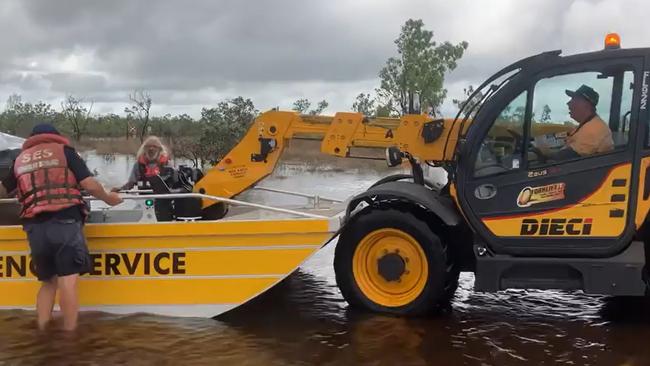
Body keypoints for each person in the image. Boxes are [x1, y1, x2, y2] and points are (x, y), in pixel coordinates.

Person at [0, 124, 122, 331]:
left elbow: (3, 190)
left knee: (48, 282)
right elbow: (90, 185)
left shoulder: (20, 159)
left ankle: (42, 329)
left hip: (35, 227)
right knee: (68, 280)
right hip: (64, 220)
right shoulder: (65, 152)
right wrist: (109, 199)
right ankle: (69, 335)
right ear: (55, 137)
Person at [535, 84, 614, 161]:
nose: (568, 103)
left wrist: (545, 152)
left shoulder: (594, 129)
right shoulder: (586, 125)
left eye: (574, 99)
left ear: (586, 105)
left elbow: (567, 157)